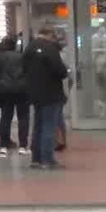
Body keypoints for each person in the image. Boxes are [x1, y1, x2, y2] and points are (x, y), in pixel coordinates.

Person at [23, 27, 69, 169]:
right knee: (49, 126)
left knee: (38, 125)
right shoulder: (50, 48)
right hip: (51, 92)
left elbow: (24, 68)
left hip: (35, 93)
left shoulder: (29, 47)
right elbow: (60, 70)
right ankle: (48, 159)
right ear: (50, 35)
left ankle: (36, 159)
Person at [0, 36, 29, 157]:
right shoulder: (22, 56)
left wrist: (2, 81)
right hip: (21, 90)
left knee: (5, 117)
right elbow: (27, 71)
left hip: (5, 90)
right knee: (23, 117)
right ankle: (23, 146)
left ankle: (3, 146)